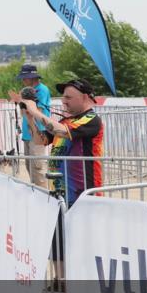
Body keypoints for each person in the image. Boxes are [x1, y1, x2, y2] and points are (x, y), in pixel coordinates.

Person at [20, 78, 104, 208]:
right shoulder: (65, 121)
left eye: (68, 97)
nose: (63, 101)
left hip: (84, 196)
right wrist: (30, 118)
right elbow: (40, 140)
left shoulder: (91, 119)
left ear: (85, 97)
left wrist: (35, 111)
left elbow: (63, 132)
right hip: (61, 195)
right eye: (63, 97)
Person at [9, 64, 52, 186]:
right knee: (29, 167)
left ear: (32, 77)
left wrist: (21, 101)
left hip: (38, 132)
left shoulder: (42, 90)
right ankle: (36, 193)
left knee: (38, 169)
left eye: (25, 78)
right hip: (28, 133)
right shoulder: (25, 91)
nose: (23, 81)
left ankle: (43, 196)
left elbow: (39, 110)